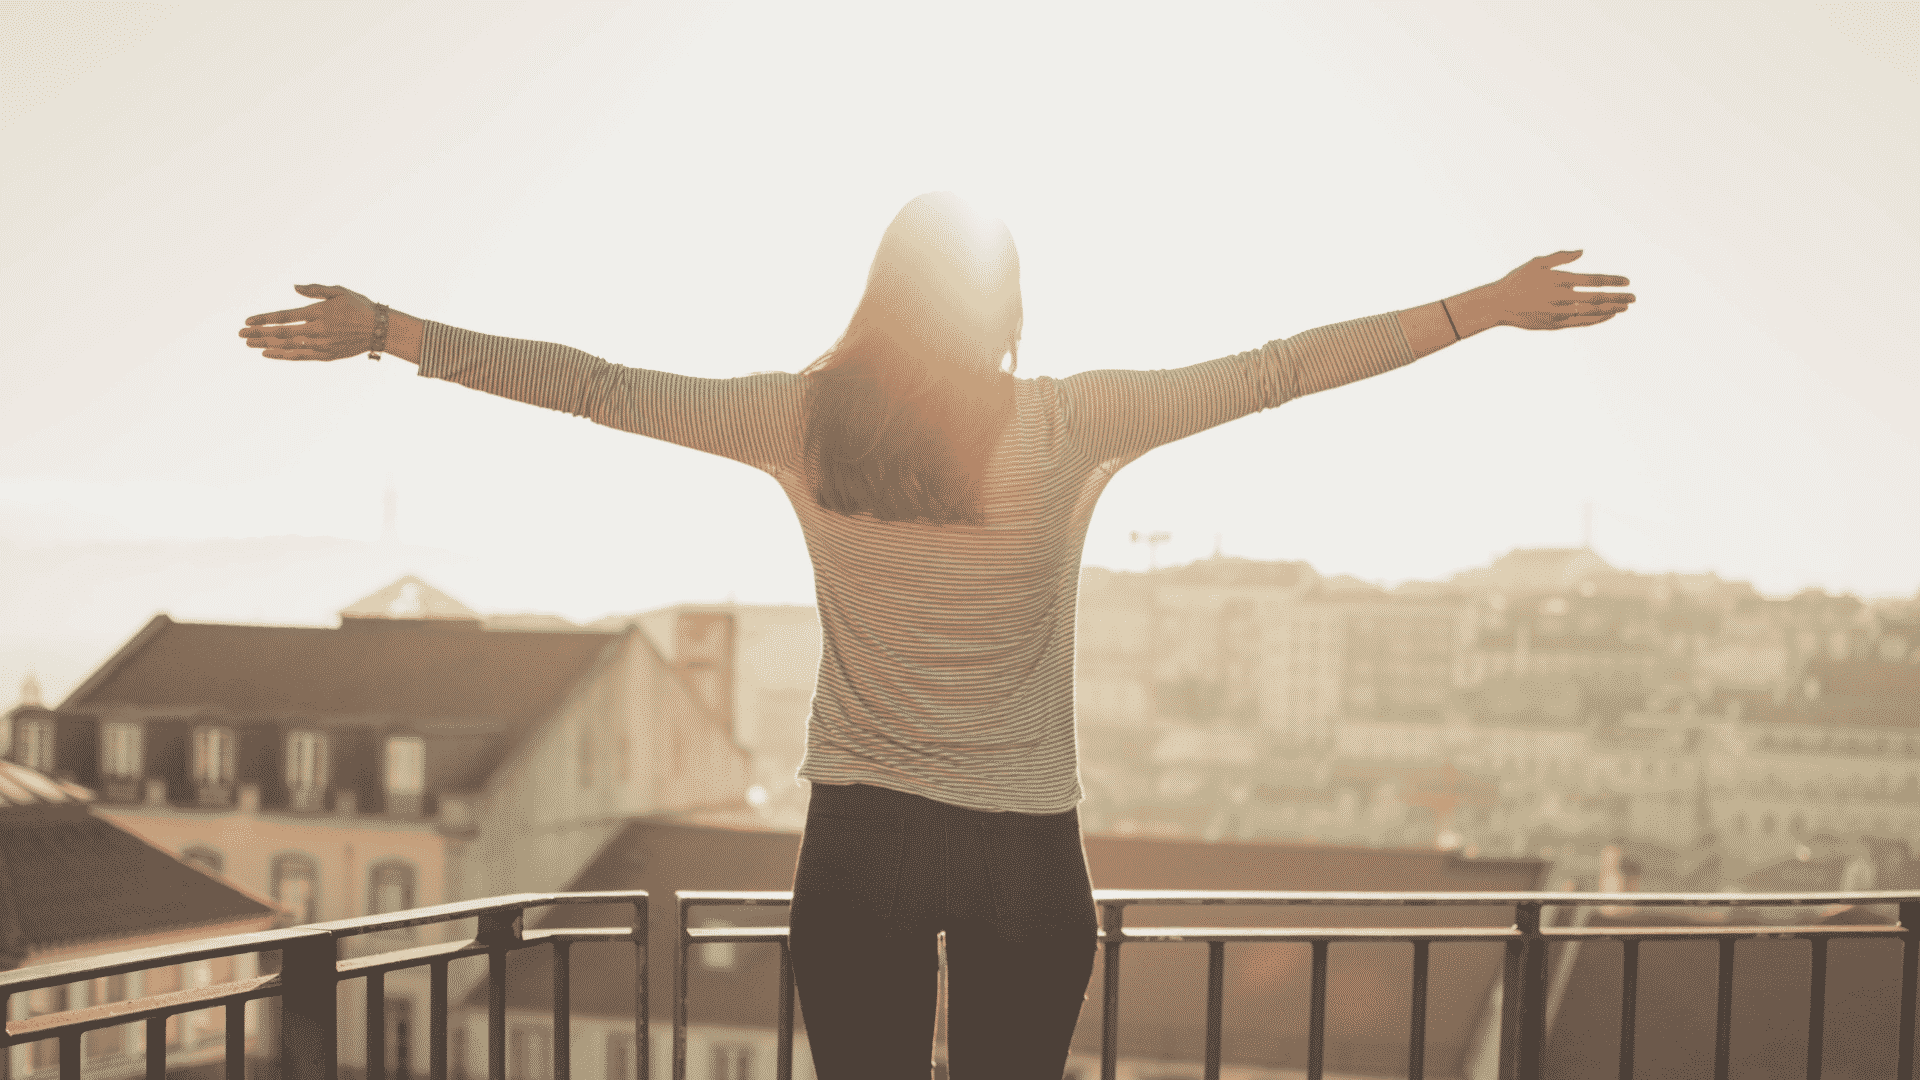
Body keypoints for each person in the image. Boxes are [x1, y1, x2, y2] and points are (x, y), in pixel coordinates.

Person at [240, 192, 1633, 1079]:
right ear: (1007, 305)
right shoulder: (1066, 422)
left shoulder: (802, 418)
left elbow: (602, 388)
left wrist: (392, 331)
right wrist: (1480, 311)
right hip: (1027, 847)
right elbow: (1274, 373)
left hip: (861, 844)